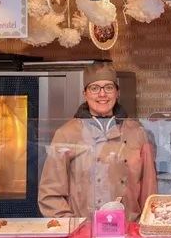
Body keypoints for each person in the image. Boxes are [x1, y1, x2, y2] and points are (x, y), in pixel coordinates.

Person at [39, 62, 158, 221]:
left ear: (117, 92)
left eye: (108, 87)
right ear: (85, 93)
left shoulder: (138, 133)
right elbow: (50, 196)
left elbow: (149, 190)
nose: (102, 94)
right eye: (94, 88)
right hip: (83, 236)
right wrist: (74, 229)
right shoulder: (66, 134)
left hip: (128, 233)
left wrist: (143, 227)